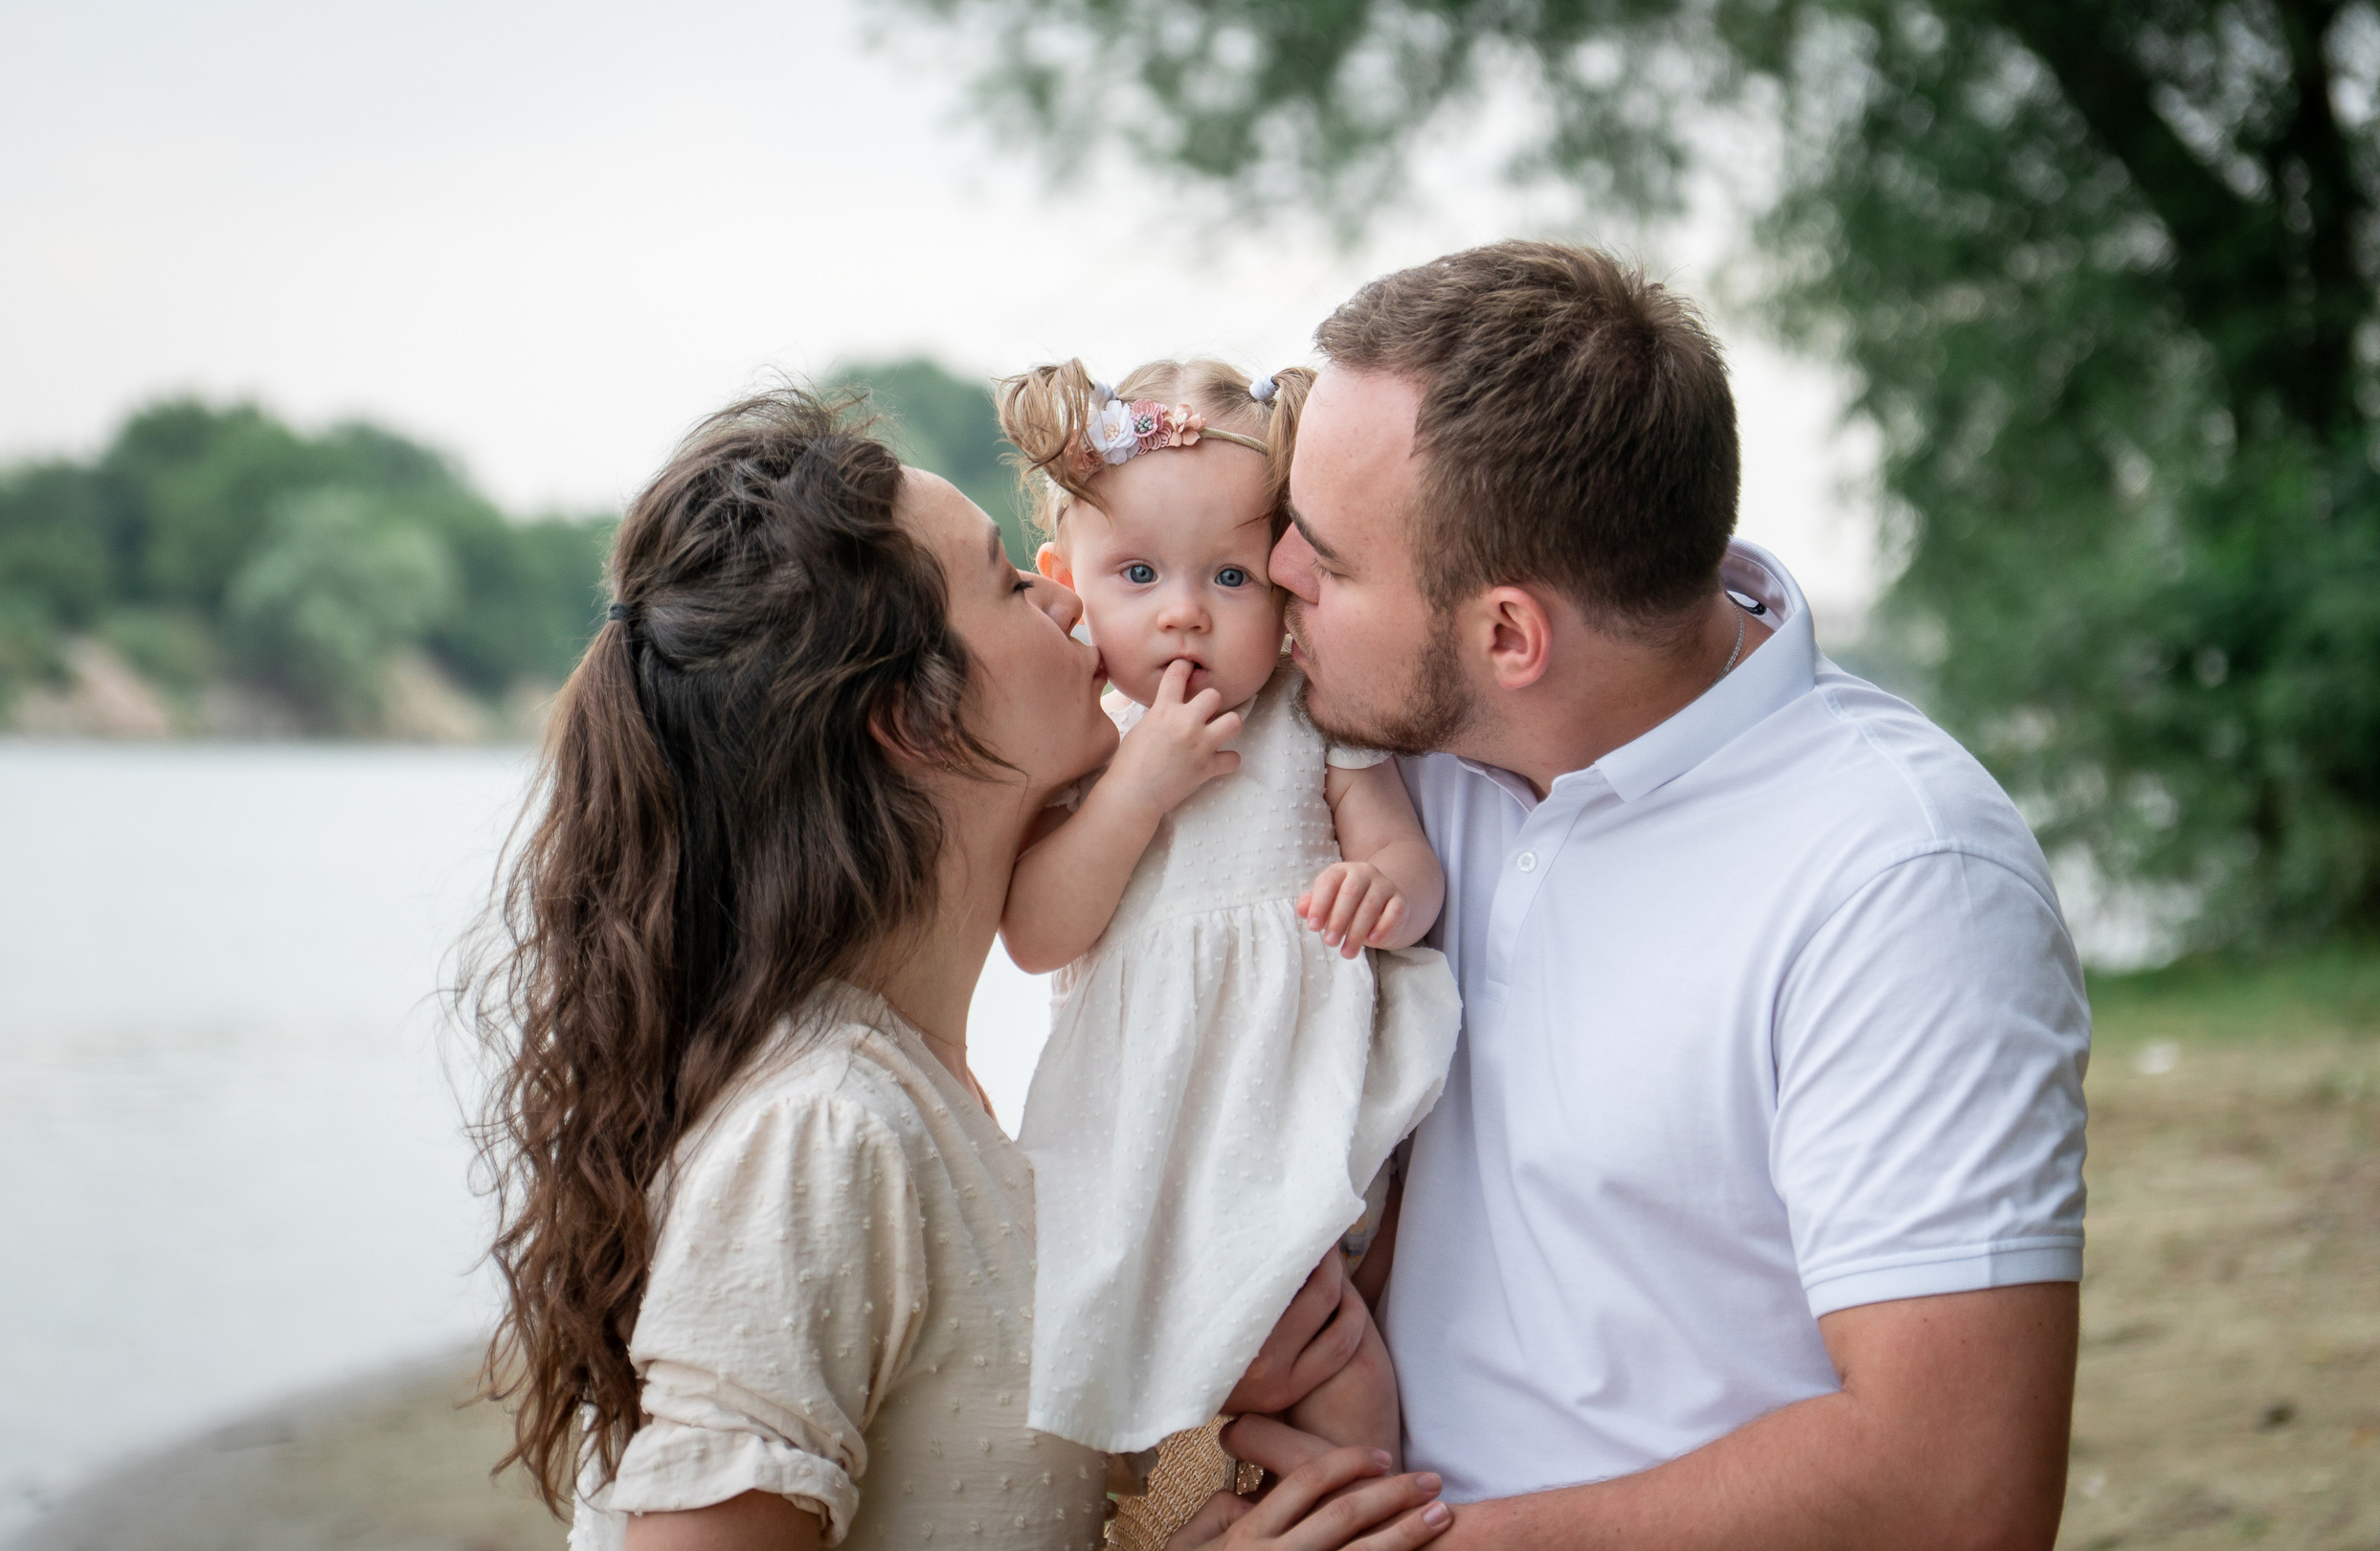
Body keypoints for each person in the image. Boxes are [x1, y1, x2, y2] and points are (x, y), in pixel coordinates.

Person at [465, 388, 1454, 1551]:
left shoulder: (944, 1108)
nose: (1066, 601)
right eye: (1006, 580)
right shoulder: (824, 1132)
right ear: (911, 719)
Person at [1253, 242, 2092, 1549]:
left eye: (1327, 559)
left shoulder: (1902, 880)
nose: (1275, 576)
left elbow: (1958, 1488)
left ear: (1511, 638)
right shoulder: (1400, 767)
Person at [993, 359, 1461, 1534]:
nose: (1184, 610)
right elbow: (1040, 934)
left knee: (1331, 1339)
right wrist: (1132, 794)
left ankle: (1338, 1497)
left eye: (1231, 576)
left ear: (1291, 588)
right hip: (1149, 1122)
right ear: (1067, 583)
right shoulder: (1086, 738)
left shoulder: (1310, 715)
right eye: (1137, 575)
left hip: (1294, 1096)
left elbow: (1408, 864)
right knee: (1146, 1348)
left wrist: (1378, 893)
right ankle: (1177, 1510)